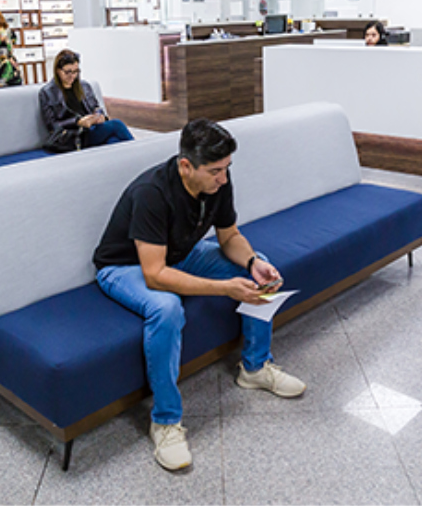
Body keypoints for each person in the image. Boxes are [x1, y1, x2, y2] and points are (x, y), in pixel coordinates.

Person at [93, 119, 306, 471]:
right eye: (215, 172)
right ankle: (165, 421)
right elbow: (155, 274)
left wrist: (252, 262)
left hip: (181, 254)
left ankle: (255, 367)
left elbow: (229, 236)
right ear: (186, 166)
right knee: (166, 309)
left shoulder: (217, 180)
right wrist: (225, 288)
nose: (223, 179)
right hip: (125, 267)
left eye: (227, 169)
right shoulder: (152, 193)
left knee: (260, 267)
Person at [39, 49, 133, 151]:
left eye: (75, 71)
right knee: (117, 125)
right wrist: (78, 122)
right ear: (58, 70)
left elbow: (96, 107)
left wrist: (99, 116)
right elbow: (53, 126)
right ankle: (142, 156)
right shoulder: (47, 93)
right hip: (73, 136)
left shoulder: (84, 86)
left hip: (91, 130)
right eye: (68, 72)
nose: (72, 76)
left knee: (114, 142)